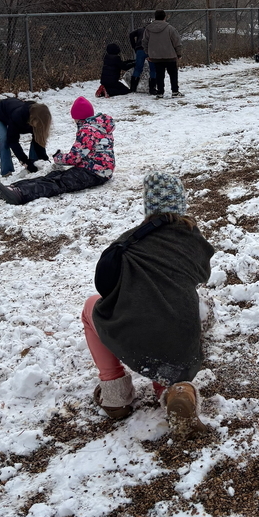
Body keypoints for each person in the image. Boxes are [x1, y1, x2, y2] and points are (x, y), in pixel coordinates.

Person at [81, 171, 214, 427]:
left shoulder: (129, 242)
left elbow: (105, 286)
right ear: (181, 203)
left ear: (148, 205)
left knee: (91, 306)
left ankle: (114, 393)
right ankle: (173, 390)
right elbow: (202, 274)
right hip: (180, 333)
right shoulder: (192, 239)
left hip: (134, 329)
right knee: (180, 314)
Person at [0, 97, 114, 205]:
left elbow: (74, 158)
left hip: (94, 172)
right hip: (93, 169)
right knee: (53, 176)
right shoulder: (98, 127)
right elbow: (84, 154)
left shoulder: (88, 130)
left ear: (78, 117)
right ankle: (14, 187)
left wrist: (58, 157)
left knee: (58, 183)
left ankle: (20, 193)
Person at [0, 98, 51, 177]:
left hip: (11, 110)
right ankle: (6, 171)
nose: (41, 125)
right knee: (5, 139)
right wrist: (25, 161)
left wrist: (43, 159)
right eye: (40, 122)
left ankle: (34, 162)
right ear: (33, 118)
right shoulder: (17, 117)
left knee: (36, 136)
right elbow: (13, 141)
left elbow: (38, 140)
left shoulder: (38, 118)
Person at [143, 10, 183, 100]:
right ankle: (175, 91)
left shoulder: (148, 29)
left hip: (156, 56)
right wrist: (179, 53)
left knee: (159, 75)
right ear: (165, 17)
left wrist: (148, 53)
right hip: (170, 56)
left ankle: (160, 92)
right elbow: (177, 42)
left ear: (155, 17)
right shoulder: (170, 28)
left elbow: (144, 42)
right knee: (173, 74)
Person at [128, 26, 157, 94]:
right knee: (153, 69)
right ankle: (152, 88)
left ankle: (133, 88)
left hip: (140, 49)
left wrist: (134, 46)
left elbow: (131, 35)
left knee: (138, 68)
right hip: (151, 50)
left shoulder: (140, 30)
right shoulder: (154, 30)